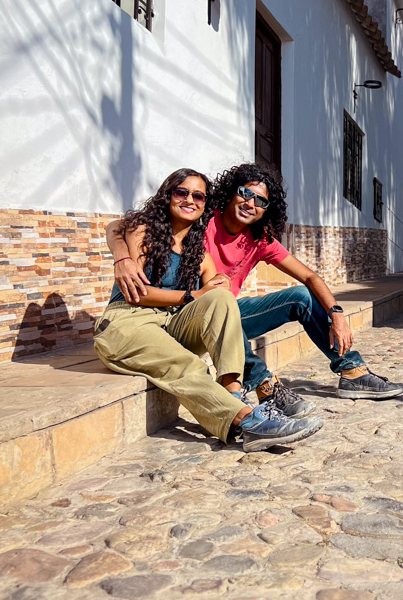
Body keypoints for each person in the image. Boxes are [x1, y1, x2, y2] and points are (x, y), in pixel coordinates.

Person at [107, 163, 403, 416]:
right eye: (245, 193)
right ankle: (265, 387)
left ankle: (351, 370)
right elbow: (121, 226)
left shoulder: (259, 240)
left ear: (266, 211)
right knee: (225, 311)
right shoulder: (201, 218)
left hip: (221, 311)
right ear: (230, 193)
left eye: (260, 201)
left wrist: (337, 313)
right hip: (191, 314)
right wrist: (122, 258)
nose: (250, 204)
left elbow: (310, 277)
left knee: (300, 297)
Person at [95, 168, 323, 453]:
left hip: (169, 322)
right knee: (186, 364)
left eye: (198, 196)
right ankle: (247, 422)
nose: (190, 199)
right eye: (182, 192)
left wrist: (219, 286)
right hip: (126, 322)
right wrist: (122, 258)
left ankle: (234, 393)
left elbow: (215, 296)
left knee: (221, 298)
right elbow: (138, 294)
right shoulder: (143, 231)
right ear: (168, 196)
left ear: (206, 204)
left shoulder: (198, 252)